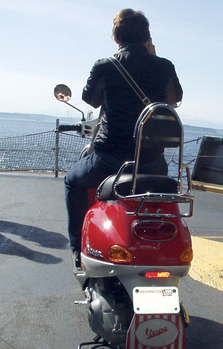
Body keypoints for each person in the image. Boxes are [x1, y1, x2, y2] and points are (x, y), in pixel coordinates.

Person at [65, 8, 183, 272]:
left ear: (116, 39)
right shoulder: (164, 66)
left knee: (72, 181)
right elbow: (173, 99)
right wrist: (153, 58)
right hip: (151, 163)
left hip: (108, 162)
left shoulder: (105, 66)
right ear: (146, 38)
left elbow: (91, 99)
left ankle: (77, 250)